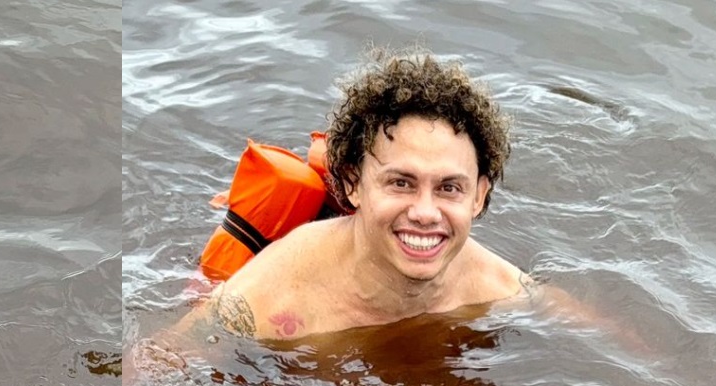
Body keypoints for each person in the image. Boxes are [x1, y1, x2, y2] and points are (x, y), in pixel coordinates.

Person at [189, 50, 531, 342]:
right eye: (401, 183)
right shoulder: (265, 299)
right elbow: (156, 373)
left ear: (479, 196)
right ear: (353, 183)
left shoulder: (503, 291)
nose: (425, 213)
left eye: (448, 188)